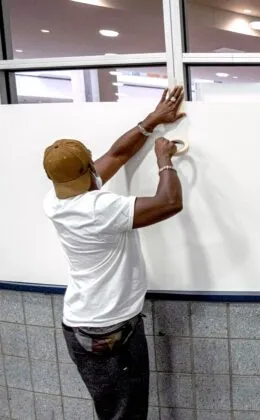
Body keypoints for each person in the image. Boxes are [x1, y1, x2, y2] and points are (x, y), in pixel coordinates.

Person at [42, 86, 187, 419]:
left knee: (113, 411)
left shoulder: (54, 201)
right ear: (89, 170)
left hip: (81, 325)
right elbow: (169, 202)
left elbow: (117, 155)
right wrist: (164, 160)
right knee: (125, 414)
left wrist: (152, 120)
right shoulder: (99, 208)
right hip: (109, 332)